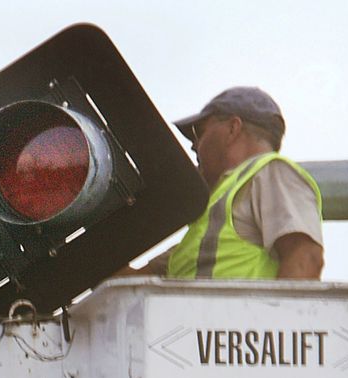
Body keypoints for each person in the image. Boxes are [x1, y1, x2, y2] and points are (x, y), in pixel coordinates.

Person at [125, 86, 324, 280]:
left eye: (200, 132)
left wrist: (277, 314)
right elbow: (126, 284)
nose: (194, 145)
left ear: (232, 128)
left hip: (247, 315)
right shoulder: (203, 235)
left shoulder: (270, 172)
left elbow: (306, 257)